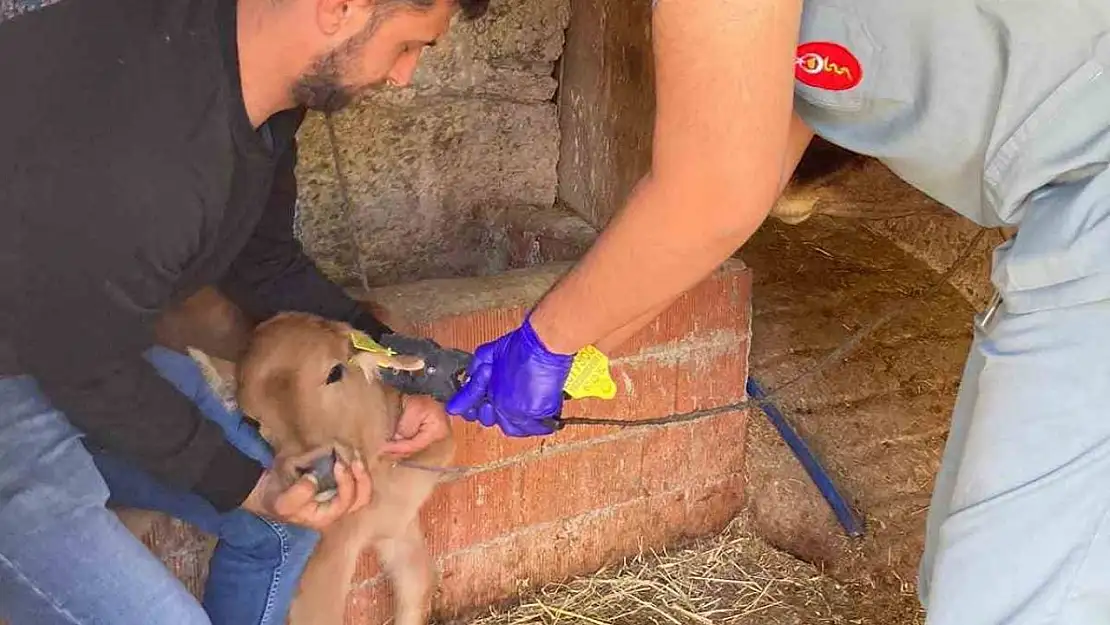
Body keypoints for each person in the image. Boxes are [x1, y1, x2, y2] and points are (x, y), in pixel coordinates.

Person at [446, 0, 1110, 623]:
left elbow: (711, 194)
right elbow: (743, 174)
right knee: (965, 571)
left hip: (1091, 213)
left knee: (1008, 598)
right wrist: (568, 356)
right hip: (1068, 224)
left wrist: (544, 343)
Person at [0, 0, 481, 622]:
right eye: (408, 45)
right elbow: (84, 363)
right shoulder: (150, 147)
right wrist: (253, 486)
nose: (403, 75)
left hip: (77, 339)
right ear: (341, 8)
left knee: (284, 531)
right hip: (28, 376)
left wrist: (401, 365)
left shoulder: (257, 97)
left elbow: (264, 264)